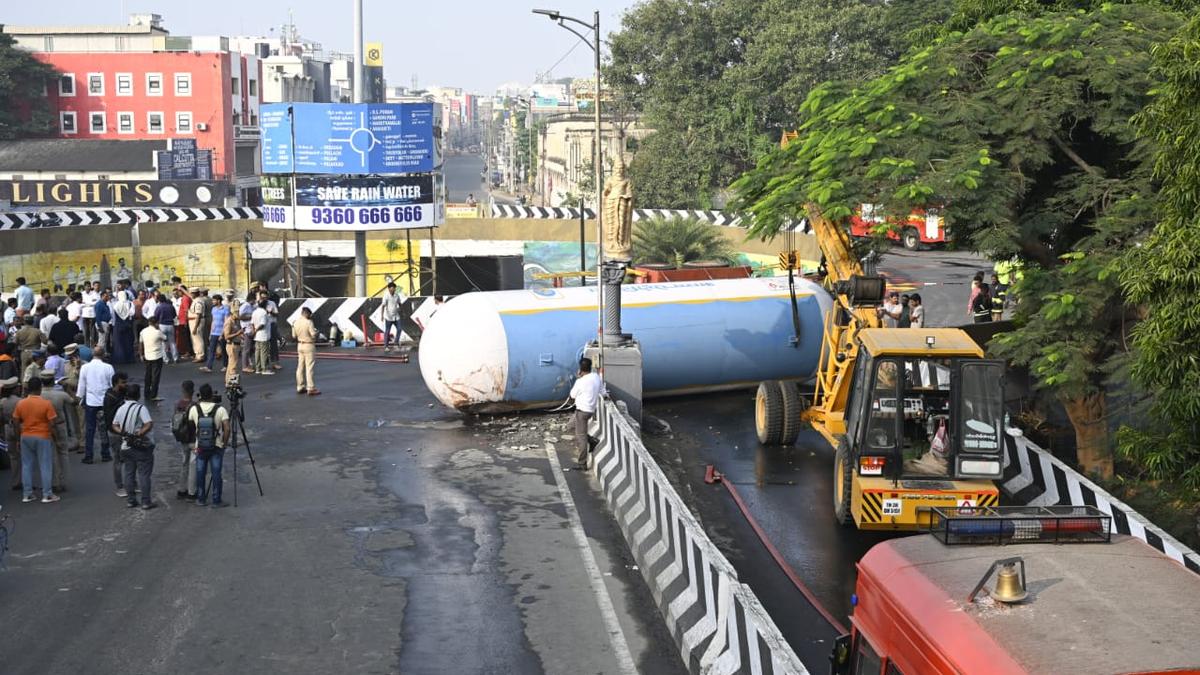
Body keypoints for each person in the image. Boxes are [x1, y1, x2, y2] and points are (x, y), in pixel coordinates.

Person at [13, 376, 60, 503]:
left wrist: (18, 439)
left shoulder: (21, 403)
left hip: (25, 436)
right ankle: (47, 494)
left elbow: (16, 422)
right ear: (40, 388)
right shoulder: (46, 403)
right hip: (43, 436)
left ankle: (27, 494)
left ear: (28, 389)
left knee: (27, 465)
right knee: (45, 466)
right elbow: (52, 423)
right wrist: (55, 438)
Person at [111, 383, 155, 510]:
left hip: (126, 446)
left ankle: (131, 500)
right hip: (140, 447)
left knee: (129, 473)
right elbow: (149, 424)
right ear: (138, 395)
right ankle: (146, 501)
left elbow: (114, 425)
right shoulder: (141, 408)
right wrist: (139, 433)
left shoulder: (121, 408)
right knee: (144, 474)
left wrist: (123, 433)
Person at [189, 383, 231, 507]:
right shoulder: (220, 409)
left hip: (200, 445)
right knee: (216, 473)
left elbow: (191, 426)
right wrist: (224, 443)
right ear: (212, 394)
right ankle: (216, 499)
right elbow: (227, 428)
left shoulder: (194, 409)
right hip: (216, 445)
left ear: (200, 395)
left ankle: (201, 499)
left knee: (200, 471)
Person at [39, 369, 76, 493]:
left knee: (50, 455)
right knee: (63, 454)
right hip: (59, 425)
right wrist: (68, 389)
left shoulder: (38, 396)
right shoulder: (60, 395)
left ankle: (54, 482)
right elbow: (75, 402)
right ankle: (63, 481)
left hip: (44, 427)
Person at [77, 348, 115, 464]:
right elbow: (112, 384)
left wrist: (79, 397)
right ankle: (105, 453)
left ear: (92, 354)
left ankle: (89, 455)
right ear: (103, 355)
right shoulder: (108, 367)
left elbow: (82, 385)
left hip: (91, 402)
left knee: (90, 429)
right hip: (104, 402)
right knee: (104, 428)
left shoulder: (85, 367)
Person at [569, 357, 603, 468]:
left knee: (581, 437)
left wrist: (578, 378)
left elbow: (572, 395)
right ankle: (592, 440)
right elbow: (602, 391)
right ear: (590, 367)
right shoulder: (596, 377)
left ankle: (582, 463)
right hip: (590, 410)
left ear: (580, 369)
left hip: (582, 411)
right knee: (572, 426)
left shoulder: (580, 381)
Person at [104, 372, 129, 495]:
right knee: (118, 460)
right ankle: (120, 486)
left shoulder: (121, 394)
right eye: (123, 383)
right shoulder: (110, 398)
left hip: (123, 432)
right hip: (116, 433)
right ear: (116, 384)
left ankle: (131, 483)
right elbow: (110, 419)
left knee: (129, 458)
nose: (126, 385)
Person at [173, 380, 197, 501]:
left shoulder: (177, 404)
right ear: (192, 391)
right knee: (193, 464)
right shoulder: (194, 405)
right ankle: (192, 492)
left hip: (182, 438)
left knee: (184, 463)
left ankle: (181, 489)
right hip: (193, 439)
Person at [1, 377, 23, 489]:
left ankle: (15, 481)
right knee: (24, 455)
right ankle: (25, 480)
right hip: (19, 427)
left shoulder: (3, 402)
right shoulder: (20, 401)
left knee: (13, 456)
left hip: (7, 427)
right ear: (15, 389)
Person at [294, 306, 320, 395]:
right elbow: (313, 334)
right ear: (307, 314)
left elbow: (294, 335)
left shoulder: (295, 322)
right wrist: (317, 333)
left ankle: (300, 386)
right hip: (308, 345)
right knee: (309, 367)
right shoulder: (309, 322)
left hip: (299, 345)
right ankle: (311, 388)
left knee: (300, 367)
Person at [138, 317, 165, 402]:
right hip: (157, 356)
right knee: (155, 376)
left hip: (147, 356)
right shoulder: (157, 332)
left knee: (148, 375)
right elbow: (165, 338)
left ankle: (146, 394)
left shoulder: (143, 331)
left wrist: (141, 354)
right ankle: (154, 395)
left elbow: (140, 344)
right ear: (156, 323)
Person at [202, 294, 229, 373]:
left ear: (218, 301)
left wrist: (222, 334)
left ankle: (225, 366)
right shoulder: (213, 309)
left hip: (222, 333)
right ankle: (209, 367)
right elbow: (213, 321)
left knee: (224, 351)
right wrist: (211, 333)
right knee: (211, 350)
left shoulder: (225, 309)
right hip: (214, 332)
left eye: (214, 300)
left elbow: (226, 322)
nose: (213, 302)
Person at [153, 290, 178, 364]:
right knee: (172, 342)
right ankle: (175, 358)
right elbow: (174, 315)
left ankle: (166, 359)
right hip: (170, 325)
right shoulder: (171, 306)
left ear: (159, 300)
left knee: (163, 343)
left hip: (162, 325)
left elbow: (155, 317)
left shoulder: (159, 307)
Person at [251, 299, 273, 375]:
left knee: (257, 352)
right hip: (263, 335)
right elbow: (262, 324)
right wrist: (256, 330)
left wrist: (254, 331)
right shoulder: (264, 313)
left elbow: (252, 323)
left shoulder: (254, 312)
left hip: (257, 336)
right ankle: (264, 369)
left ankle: (258, 368)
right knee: (264, 352)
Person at [381, 281, 402, 352]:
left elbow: (399, 303)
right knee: (387, 331)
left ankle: (396, 342)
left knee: (399, 329)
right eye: (392, 288)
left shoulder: (397, 295)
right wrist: (382, 315)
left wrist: (400, 309)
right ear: (389, 289)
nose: (393, 289)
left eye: (394, 288)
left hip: (396, 316)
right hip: (389, 317)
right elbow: (383, 306)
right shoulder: (386, 296)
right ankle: (386, 346)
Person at [175, 285, 193, 361]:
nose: (177, 293)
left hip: (184, 321)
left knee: (187, 337)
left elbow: (186, 310)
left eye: (178, 291)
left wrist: (185, 321)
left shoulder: (185, 298)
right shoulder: (184, 298)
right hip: (183, 320)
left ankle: (189, 352)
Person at [188, 288, 205, 363]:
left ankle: (200, 356)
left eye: (192, 293)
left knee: (198, 339)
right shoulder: (196, 300)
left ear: (195, 293)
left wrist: (195, 327)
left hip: (196, 321)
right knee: (194, 339)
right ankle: (197, 354)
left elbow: (199, 315)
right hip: (193, 320)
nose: (191, 294)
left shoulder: (198, 302)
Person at [82, 281, 100, 345]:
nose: (88, 287)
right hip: (84, 315)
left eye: (89, 286)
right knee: (86, 332)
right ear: (84, 287)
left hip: (92, 315)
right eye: (87, 286)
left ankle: (92, 346)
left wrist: (86, 304)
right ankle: (86, 345)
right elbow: (81, 303)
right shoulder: (82, 294)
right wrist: (90, 303)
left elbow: (96, 302)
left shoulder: (94, 293)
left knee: (92, 332)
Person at [95, 289, 113, 353]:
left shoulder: (106, 304)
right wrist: (100, 327)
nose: (107, 298)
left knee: (105, 340)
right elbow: (97, 316)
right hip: (102, 323)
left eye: (108, 296)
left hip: (106, 323)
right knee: (101, 341)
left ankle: (104, 353)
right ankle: (99, 354)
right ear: (102, 296)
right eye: (106, 296)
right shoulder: (99, 304)